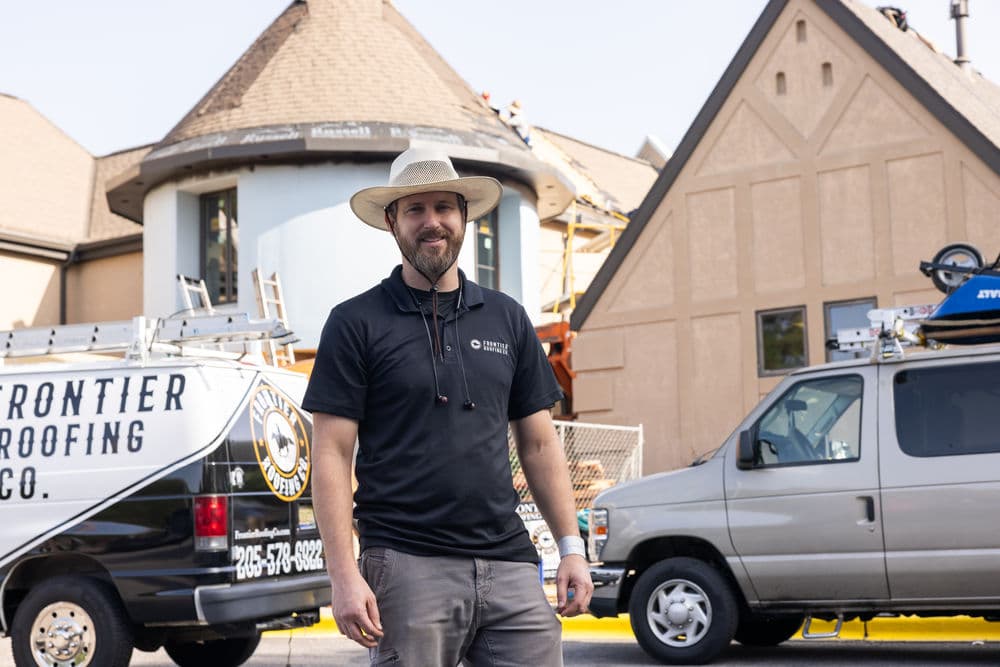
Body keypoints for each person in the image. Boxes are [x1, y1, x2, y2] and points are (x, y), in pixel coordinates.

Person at [303, 147, 593, 666]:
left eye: (444, 207)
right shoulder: (355, 322)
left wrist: (570, 547)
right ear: (392, 222)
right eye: (415, 209)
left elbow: (540, 442)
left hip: (509, 563)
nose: (431, 222)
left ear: (464, 218)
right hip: (406, 565)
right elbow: (331, 454)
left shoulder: (507, 318)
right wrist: (343, 574)